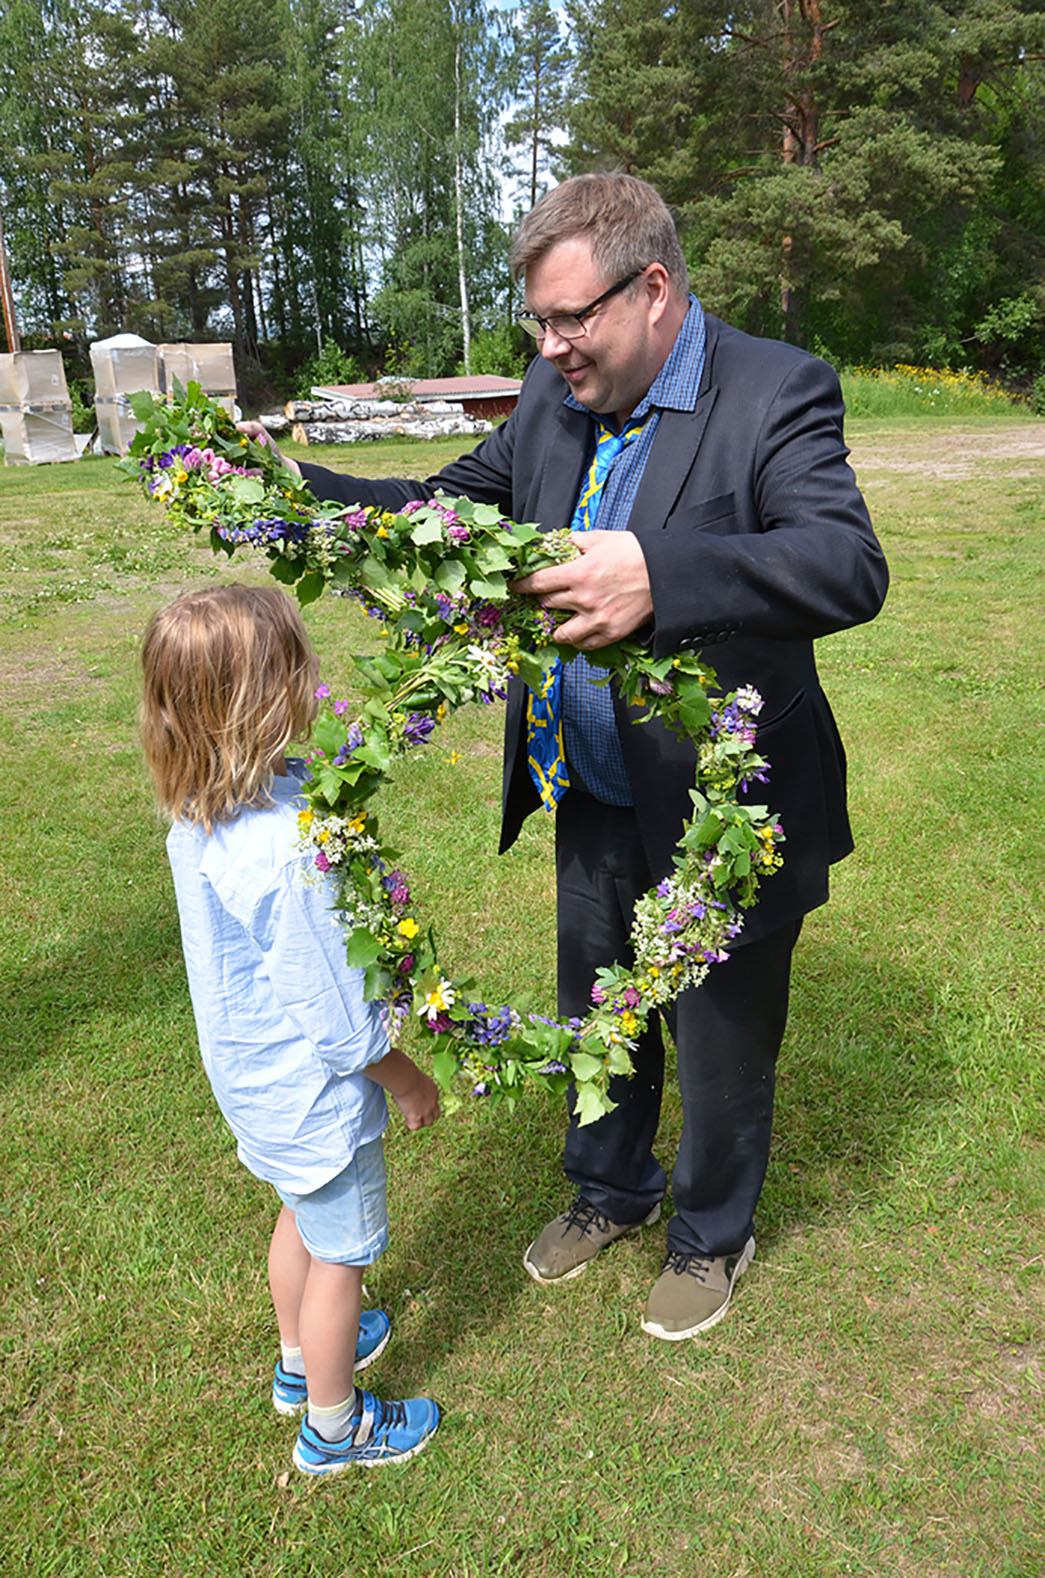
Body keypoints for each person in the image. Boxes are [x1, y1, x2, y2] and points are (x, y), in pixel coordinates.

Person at [253, 172, 889, 1341]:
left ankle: (709, 1235)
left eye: (568, 318)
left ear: (653, 290)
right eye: (536, 323)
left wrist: (664, 574)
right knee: (596, 994)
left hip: (723, 810)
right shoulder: (553, 405)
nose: (547, 349)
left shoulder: (773, 390)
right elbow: (437, 515)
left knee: (718, 1030)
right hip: (594, 788)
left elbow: (846, 565)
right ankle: (610, 1189)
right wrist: (287, 495)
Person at [141, 583, 441, 1471]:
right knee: (342, 1256)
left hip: (253, 1080)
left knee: (300, 1217)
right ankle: (333, 1424)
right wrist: (408, 1078)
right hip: (309, 1090)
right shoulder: (283, 849)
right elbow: (337, 1013)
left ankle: (296, 1360)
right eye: (298, 670)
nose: (315, 681)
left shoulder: (203, 812)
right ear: (261, 700)